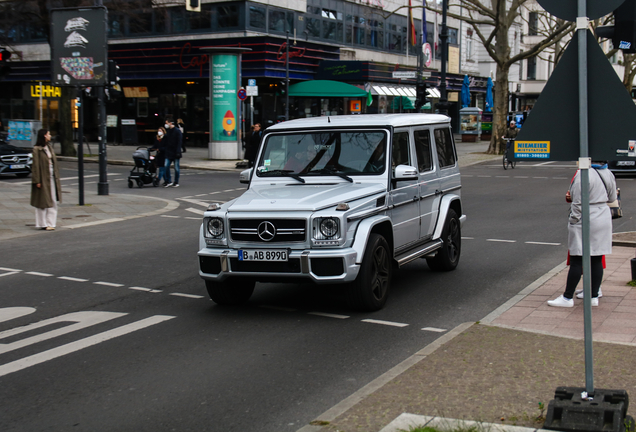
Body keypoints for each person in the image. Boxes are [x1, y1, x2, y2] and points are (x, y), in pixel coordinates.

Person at [548, 162, 617, 307]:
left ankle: (567, 297)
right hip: (603, 215)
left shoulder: (583, 174)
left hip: (586, 216)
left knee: (577, 259)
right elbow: (612, 197)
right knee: (597, 258)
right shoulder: (608, 173)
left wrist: (573, 219)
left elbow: (577, 201)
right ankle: (593, 296)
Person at [31, 129, 62, 231]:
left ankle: (51, 223)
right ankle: (42, 223)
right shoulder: (37, 149)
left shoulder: (49, 147)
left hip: (52, 177)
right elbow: (35, 166)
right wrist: (37, 181)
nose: (50, 135)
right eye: (48, 134)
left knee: (53, 200)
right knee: (42, 201)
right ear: (44, 136)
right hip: (43, 178)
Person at [163, 118, 183, 187]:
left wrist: (178, 151)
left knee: (176, 168)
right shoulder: (168, 131)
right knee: (166, 166)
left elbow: (179, 142)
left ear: (170, 123)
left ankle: (176, 181)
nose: (166, 125)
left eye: (166, 123)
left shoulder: (177, 131)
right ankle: (168, 181)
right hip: (168, 152)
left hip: (175, 152)